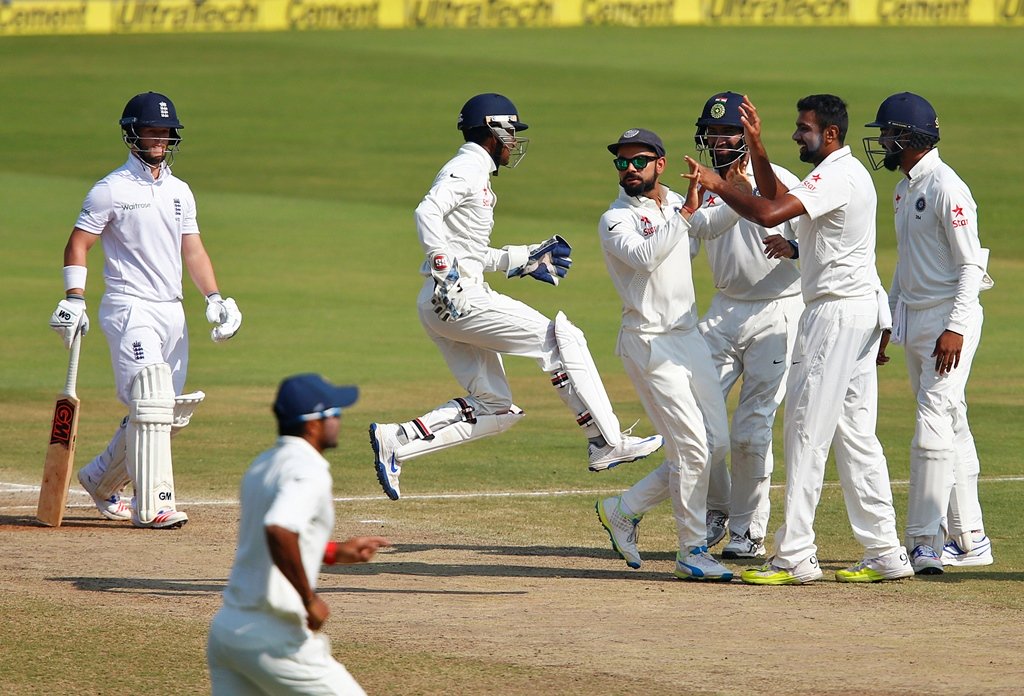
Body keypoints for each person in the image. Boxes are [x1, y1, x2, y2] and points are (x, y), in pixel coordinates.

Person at [369, 93, 662, 501]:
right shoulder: (468, 166)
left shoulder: (476, 173)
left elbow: (468, 250)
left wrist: (518, 258)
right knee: (563, 337)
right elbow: (427, 213)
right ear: (492, 130)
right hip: (461, 298)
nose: (513, 140)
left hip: (441, 304)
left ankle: (396, 440)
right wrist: (442, 267)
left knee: (496, 408)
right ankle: (606, 440)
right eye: (510, 131)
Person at [685, 94, 913, 585]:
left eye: (803, 129)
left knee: (807, 431)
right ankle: (886, 550)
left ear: (829, 134)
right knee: (855, 435)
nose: (797, 135)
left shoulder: (836, 174)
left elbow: (768, 215)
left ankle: (795, 556)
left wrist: (716, 186)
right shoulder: (837, 172)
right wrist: (758, 145)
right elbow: (773, 197)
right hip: (857, 311)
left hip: (834, 312)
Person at [49, 91, 241, 529]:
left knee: (165, 413)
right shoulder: (111, 189)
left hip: (171, 311)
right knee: (151, 400)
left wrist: (215, 297)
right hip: (128, 307)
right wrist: (73, 298)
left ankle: (100, 479)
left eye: (166, 131)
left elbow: (192, 250)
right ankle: (153, 504)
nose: (160, 138)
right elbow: (78, 242)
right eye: (152, 130)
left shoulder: (180, 191)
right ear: (131, 133)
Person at [594, 128, 733, 581]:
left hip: (688, 336)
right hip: (649, 341)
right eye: (621, 162)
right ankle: (692, 550)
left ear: (660, 163)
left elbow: (710, 226)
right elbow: (647, 255)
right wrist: (688, 209)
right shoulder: (615, 219)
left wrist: (733, 186)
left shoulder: (674, 201)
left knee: (715, 444)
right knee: (692, 448)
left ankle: (624, 507)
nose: (629, 170)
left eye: (638, 161)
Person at [865, 92, 995, 572]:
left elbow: (969, 265)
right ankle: (971, 538)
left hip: (947, 320)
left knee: (933, 420)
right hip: (917, 319)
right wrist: (889, 322)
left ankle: (923, 540)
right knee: (952, 421)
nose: (881, 143)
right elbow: (907, 264)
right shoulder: (904, 189)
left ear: (908, 137)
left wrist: (955, 327)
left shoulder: (946, 187)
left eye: (886, 134)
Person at [207, 374, 390, 695]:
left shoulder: (262, 465)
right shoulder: (309, 469)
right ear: (313, 425)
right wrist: (309, 600)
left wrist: (333, 552)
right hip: (273, 639)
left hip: (227, 632)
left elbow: (269, 540)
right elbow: (279, 530)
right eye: (334, 414)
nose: (339, 420)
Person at [687, 92, 804, 559]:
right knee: (696, 418)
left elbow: (818, 245)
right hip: (721, 310)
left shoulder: (780, 182)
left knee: (751, 429)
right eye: (711, 134)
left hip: (777, 309)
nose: (717, 142)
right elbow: (687, 242)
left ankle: (747, 530)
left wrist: (793, 251)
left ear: (746, 135)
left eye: (727, 134)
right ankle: (718, 508)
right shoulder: (706, 183)